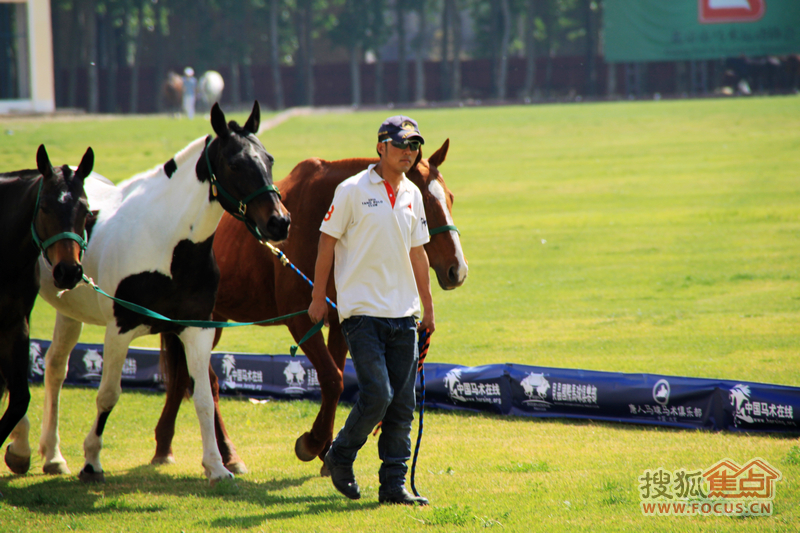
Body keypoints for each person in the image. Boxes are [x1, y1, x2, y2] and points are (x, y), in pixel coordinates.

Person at [308, 115, 434, 506]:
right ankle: (340, 455)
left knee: (402, 403)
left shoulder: (413, 193)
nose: (409, 153)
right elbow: (326, 244)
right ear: (381, 146)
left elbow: (418, 254)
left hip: (404, 315)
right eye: (401, 145)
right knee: (378, 393)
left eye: (414, 146)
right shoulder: (351, 190)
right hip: (361, 312)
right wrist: (317, 297)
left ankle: (394, 487)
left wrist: (427, 309)